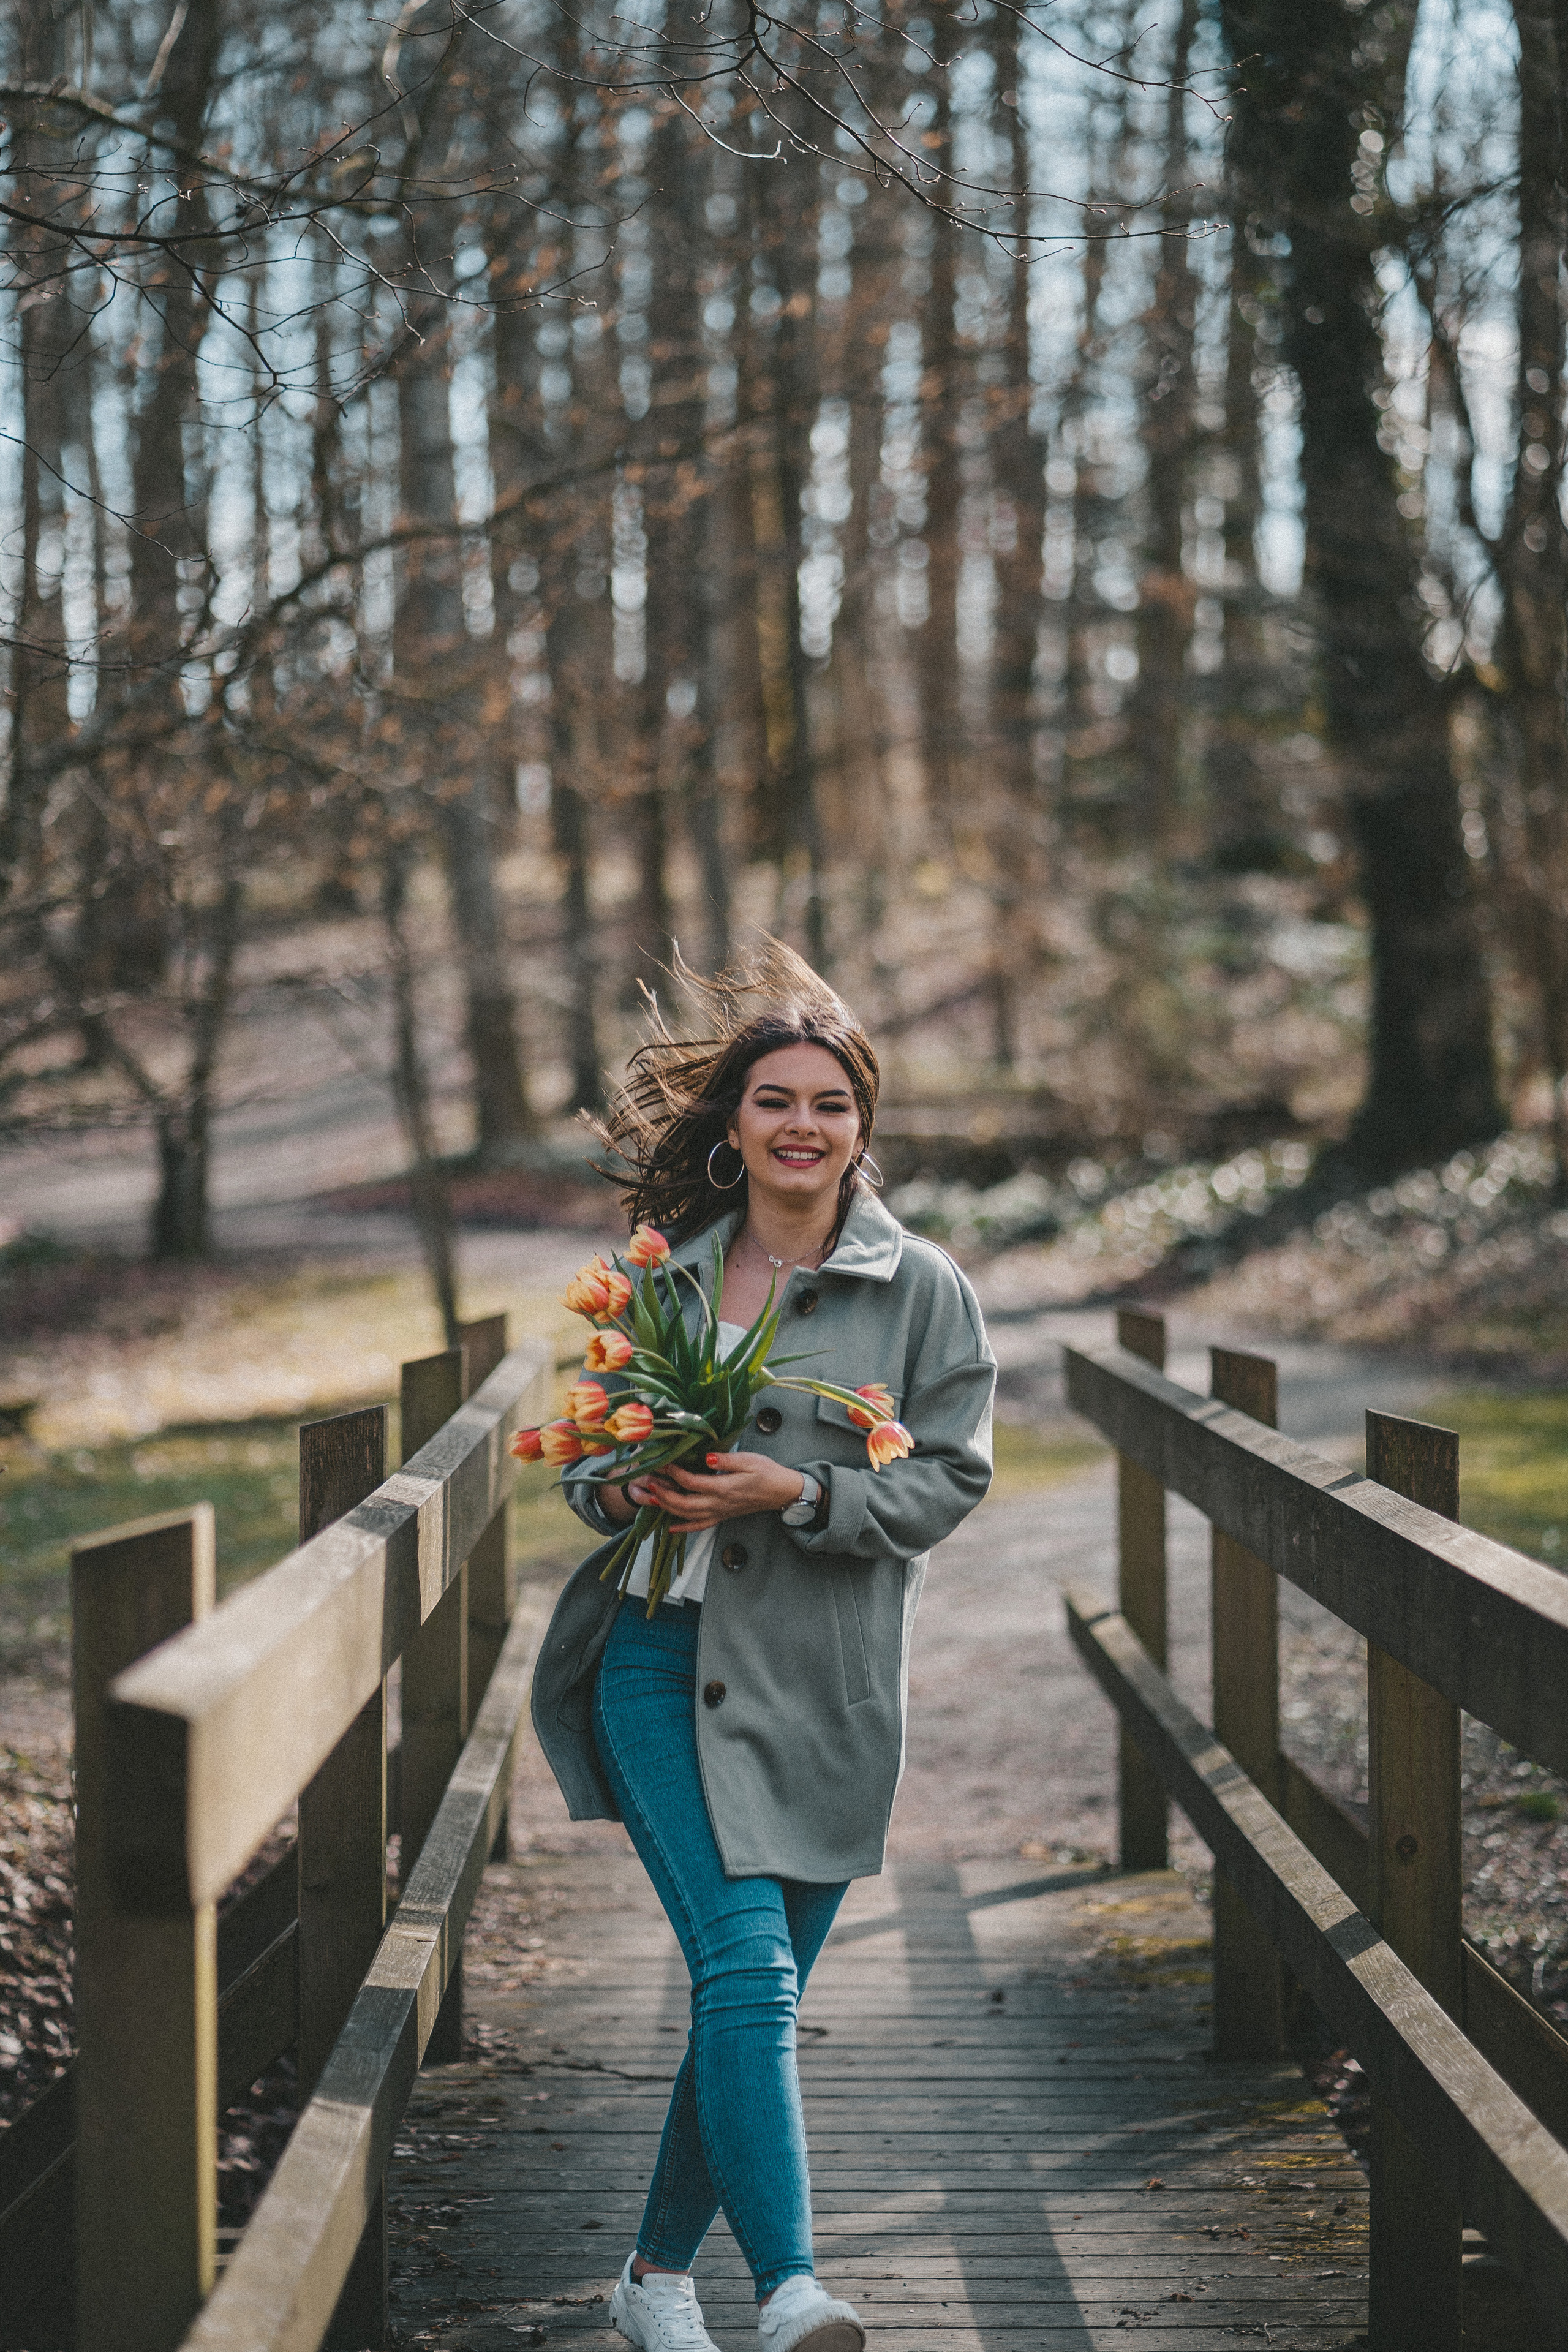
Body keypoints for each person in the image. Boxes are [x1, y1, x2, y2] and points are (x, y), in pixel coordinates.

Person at [531, 941, 996, 2352]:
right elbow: (582, 1469)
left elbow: (949, 1480)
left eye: (831, 1105)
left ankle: (655, 2279)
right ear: (732, 1125)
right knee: (747, 1972)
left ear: (862, 1127)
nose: (802, 1126)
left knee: (752, 1997)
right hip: (658, 1662)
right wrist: (620, 1483)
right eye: (774, 1100)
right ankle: (792, 2285)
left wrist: (797, 1490)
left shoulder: (920, 1290)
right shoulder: (656, 1284)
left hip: (825, 1689)